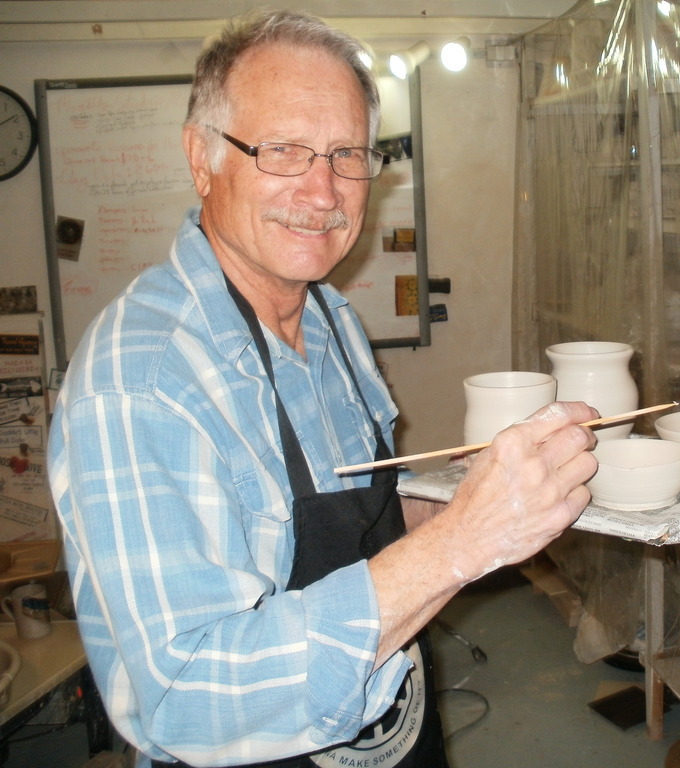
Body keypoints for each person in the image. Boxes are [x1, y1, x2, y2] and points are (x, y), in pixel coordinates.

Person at [47, 10, 598, 768]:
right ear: (202, 159)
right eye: (282, 151)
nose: (322, 191)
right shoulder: (141, 383)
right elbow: (185, 699)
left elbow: (365, 524)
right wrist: (464, 541)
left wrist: (477, 498)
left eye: (346, 154)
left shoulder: (331, 317)